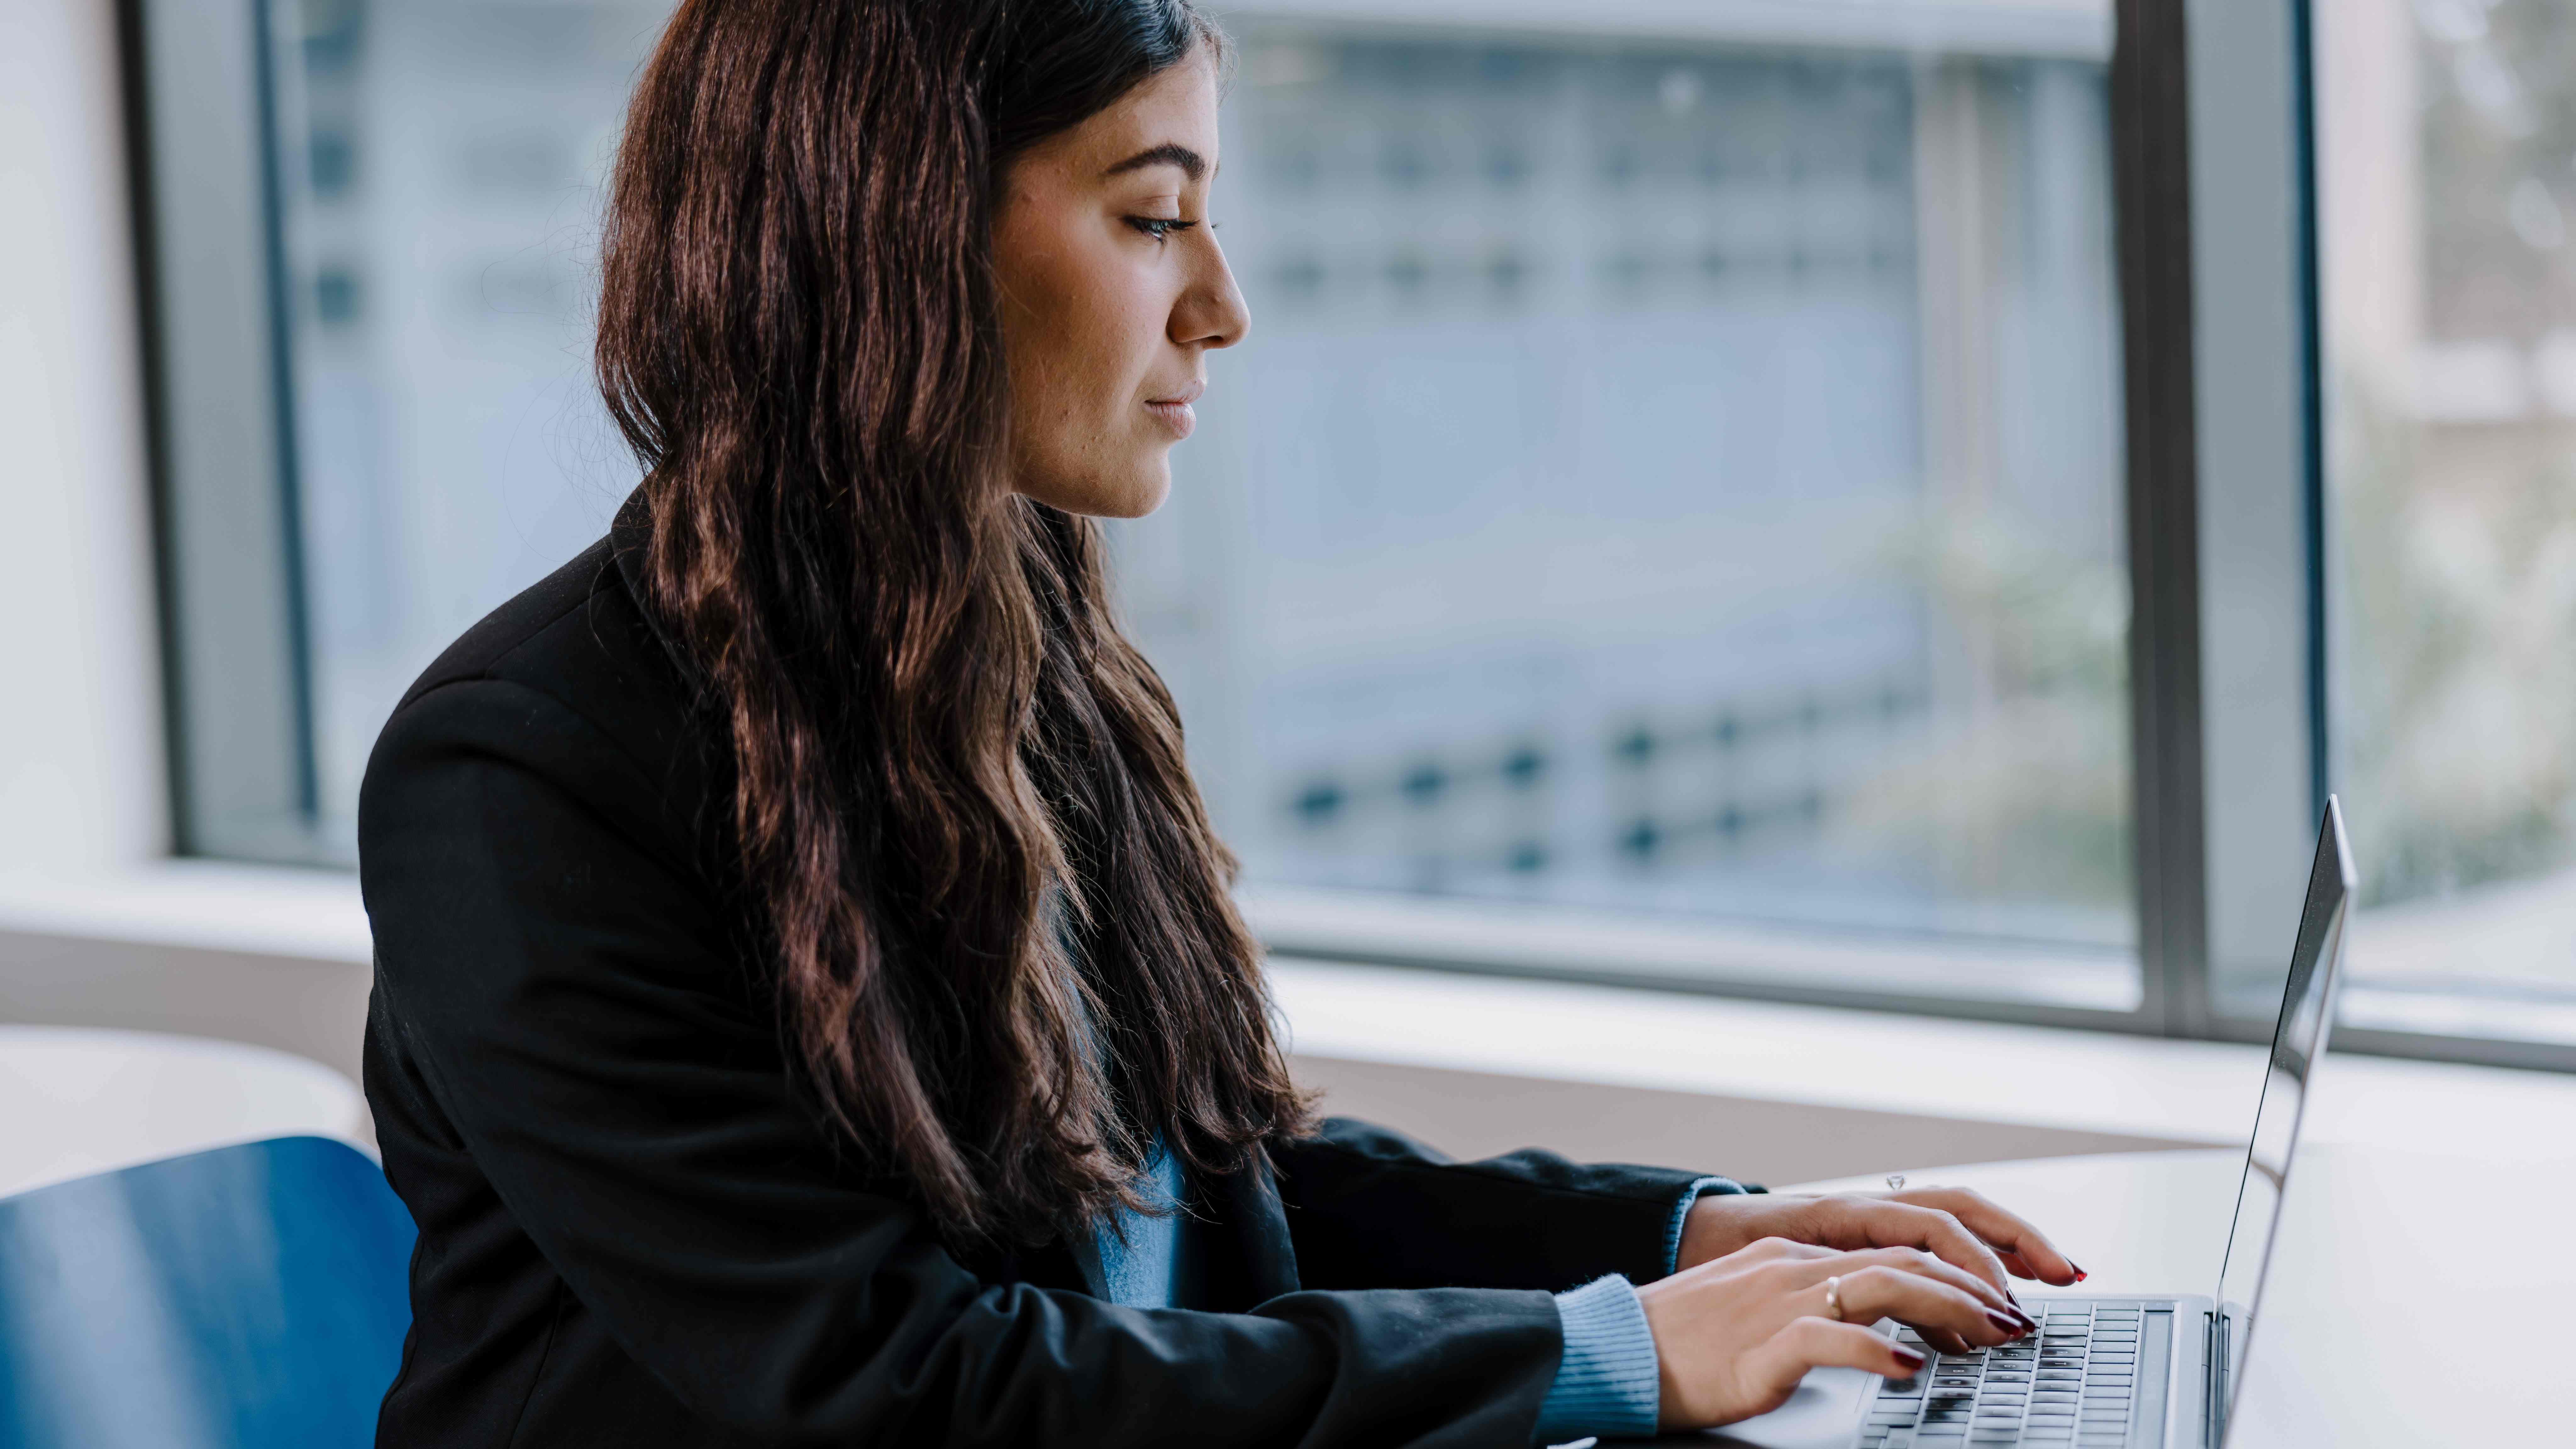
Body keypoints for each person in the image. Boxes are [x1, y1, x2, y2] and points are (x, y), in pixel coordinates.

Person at [356, 1, 2082, 1443]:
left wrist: (1695, 1236)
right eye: (1148, 212)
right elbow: (897, 1386)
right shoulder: (519, 776)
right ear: (896, 235)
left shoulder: (1010, 658)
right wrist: (1618, 1357)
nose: (1223, 304)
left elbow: (1211, 1197)